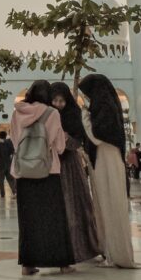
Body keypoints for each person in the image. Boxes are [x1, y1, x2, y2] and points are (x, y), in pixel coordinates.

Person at [10, 80, 74, 276]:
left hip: (23, 172)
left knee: (28, 220)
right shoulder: (52, 113)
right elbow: (61, 147)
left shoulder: (17, 113)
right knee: (53, 218)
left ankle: (27, 265)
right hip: (48, 172)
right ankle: (62, 263)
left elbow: (15, 142)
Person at [78, 74, 140, 269]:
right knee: (104, 205)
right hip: (103, 161)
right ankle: (108, 250)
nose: (87, 98)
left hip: (106, 160)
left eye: (87, 94)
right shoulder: (105, 106)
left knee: (110, 203)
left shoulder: (104, 108)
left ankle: (116, 253)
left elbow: (98, 136)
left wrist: (85, 116)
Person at [49, 82, 102, 264]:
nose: (58, 104)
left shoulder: (73, 114)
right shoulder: (48, 116)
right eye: (54, 100)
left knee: (77, 205)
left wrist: (64, 140)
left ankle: (83, 248)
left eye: (61, 101)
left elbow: (79, 141)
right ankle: (63, 250)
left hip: (70, 165)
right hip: (53, 166)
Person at [0, 130, 16, 197]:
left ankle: (2, 194)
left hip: (1, 165)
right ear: (6, 136)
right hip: (8, 163)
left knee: (1, 180)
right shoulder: (9, 143)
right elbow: (13, 152)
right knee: (11, 179)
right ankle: (14, 191)